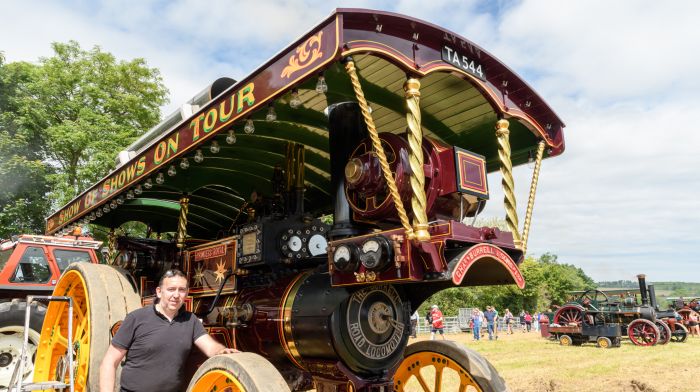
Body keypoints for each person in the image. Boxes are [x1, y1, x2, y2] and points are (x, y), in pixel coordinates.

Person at [99, 269, 237, 392]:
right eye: (171, 289)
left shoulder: (190, 320)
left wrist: (221, 351)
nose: (176, 295)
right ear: (159, 292)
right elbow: (110, 361)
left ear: (186, 293)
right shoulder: (136, 318)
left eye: (181, 290)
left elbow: (209, 346)